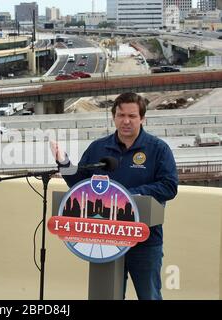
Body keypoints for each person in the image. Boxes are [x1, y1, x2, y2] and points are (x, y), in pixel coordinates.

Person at [50, 92, 178, 300]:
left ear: (142, 118)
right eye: (120, 115)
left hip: (144, 241)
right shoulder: (99, 148)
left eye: (132, 116)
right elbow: (79, 184)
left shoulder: (158, 149)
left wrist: (127, 196)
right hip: (106, 239)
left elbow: (169, 186)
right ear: (113, 117)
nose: (126, 121)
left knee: (149, 295)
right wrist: (63, 162)